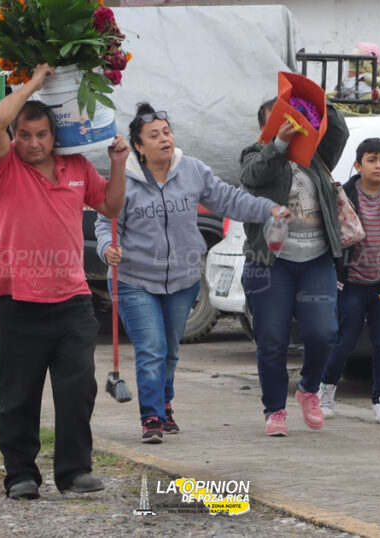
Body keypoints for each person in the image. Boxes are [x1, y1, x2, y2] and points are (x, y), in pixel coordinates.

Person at [95, 102, 290, 443]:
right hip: (133, 280)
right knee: (152, 348)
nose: (164, 139)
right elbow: (104, 221)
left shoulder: (192, 170)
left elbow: (230, 199)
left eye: (167, 132)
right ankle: (152, 417)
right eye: (154, 136)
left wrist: (268, 208)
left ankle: (164, 403)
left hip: (183, 280)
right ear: (139, 146)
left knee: (170, 350)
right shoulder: (123, 178)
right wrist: (106, 248)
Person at [0, 63, 129, 500]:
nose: (32, 143)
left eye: (41, 134)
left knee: (76, 391)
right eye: (24, 135)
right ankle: (20, 475)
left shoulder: (77, 166)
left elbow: (112, 207)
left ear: (54, 136)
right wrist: (32, 85)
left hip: (73, 302)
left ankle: (73, 471)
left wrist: (117, 164)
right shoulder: (3, 168)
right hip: (17, 301)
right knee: (18, 397)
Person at [239, 97, 348, 437]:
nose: (289, 125)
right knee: (271, 340)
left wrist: (319, 102)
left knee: (323, 333)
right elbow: (253, 175)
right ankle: (274, 409)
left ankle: (308, 388)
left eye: (293, 120)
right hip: (270, 264)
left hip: (316, 260)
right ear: (264, 128)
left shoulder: (316, 156)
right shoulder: (255, 154)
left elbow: (339, 132)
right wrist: (279, 143)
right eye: (280, 121)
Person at [319, 138, 380, 424]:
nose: (378, 166)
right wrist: (333, 276)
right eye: (371, 160)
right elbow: (332, 239)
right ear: (358, 165)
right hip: (350, 285)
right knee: (343, 341)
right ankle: (326, 390)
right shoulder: (343, 195)